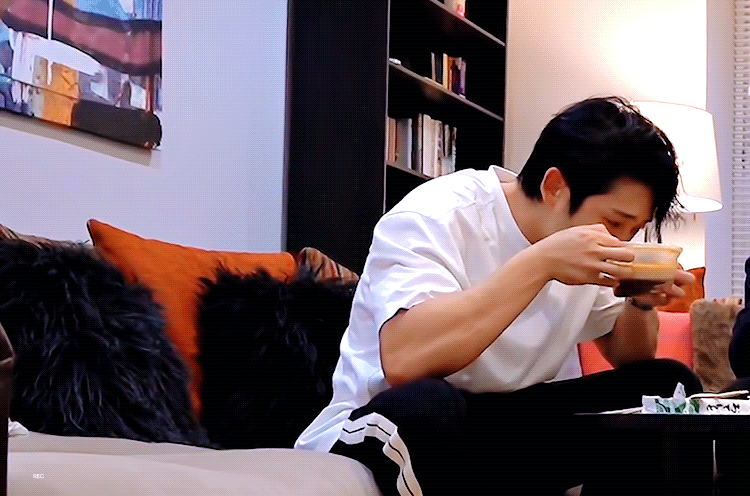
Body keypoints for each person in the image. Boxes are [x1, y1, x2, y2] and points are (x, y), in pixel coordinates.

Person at [295, 96, 703, 495]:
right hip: (394, 417)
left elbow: (629, 357)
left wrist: (640, 299)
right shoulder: (437, 214)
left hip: (507, 423)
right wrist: (541, 263)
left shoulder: (591, 243)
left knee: (668, 387)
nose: (621, 241)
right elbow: (405, 361)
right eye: (615, 222)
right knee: (429, 406)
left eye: (633, 230)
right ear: (555, 187)